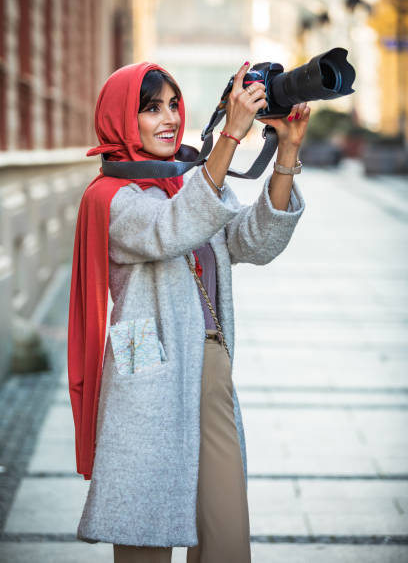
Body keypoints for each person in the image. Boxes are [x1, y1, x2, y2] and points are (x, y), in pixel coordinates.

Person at [67, 60, 308, 563]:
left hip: (212, 369)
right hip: (148, 369)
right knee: (144, 530)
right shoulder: (112, 197)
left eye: (174, 105)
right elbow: (170, 229)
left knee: (224, 532)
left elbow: (254, 241)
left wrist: (286, 151)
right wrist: (230, 140)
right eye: (151, 108)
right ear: (120, 119)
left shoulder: (190, 180)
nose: (169, 118)